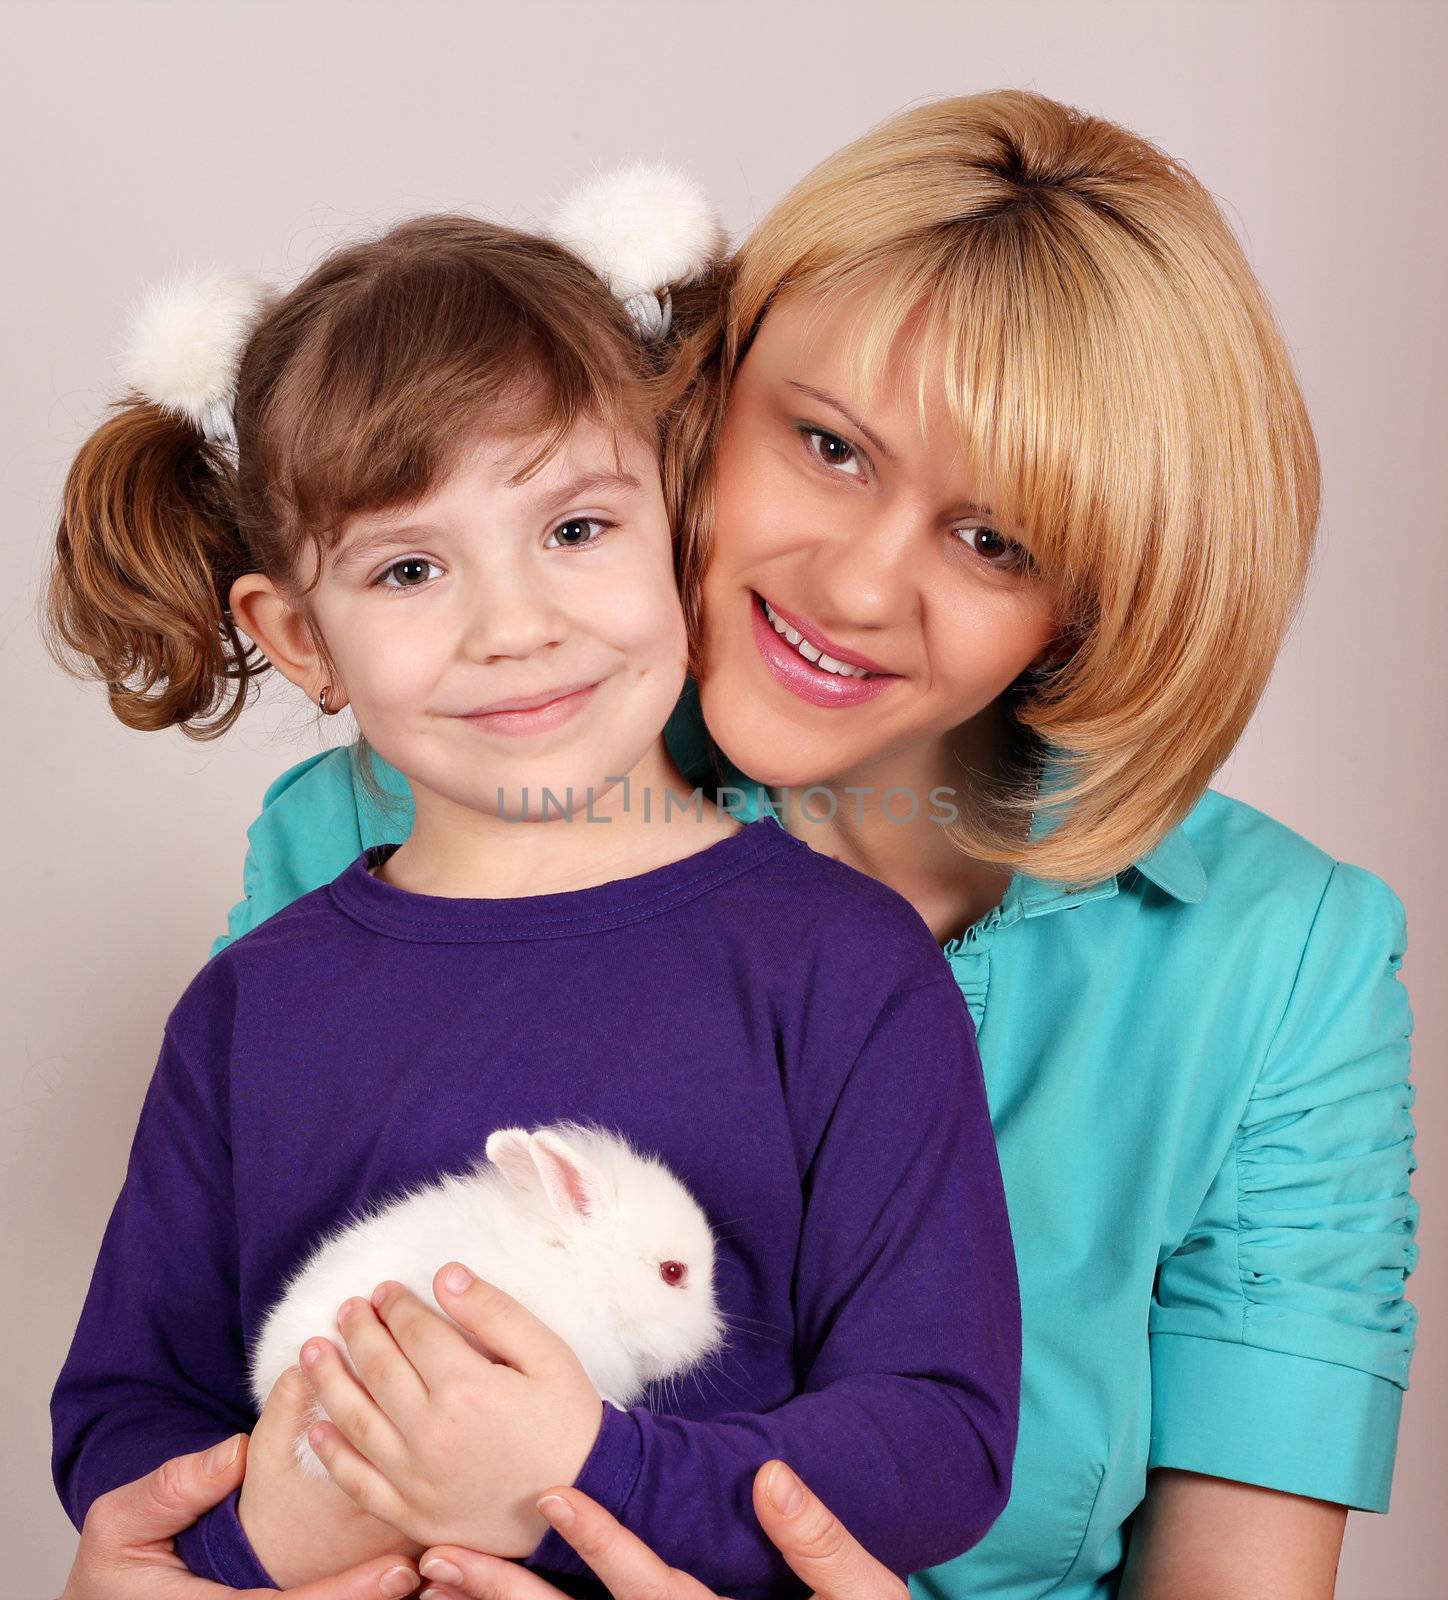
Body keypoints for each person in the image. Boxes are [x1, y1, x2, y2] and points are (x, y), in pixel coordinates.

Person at [175, 90, 1418, 1599]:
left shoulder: (1281, 964)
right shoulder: (381, 841)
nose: (856, 584)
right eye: (828, 446)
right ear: (710, 393)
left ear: (1098, 591)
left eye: (993, 538)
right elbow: (234, 1448)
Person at [44, 204, 1020, 1597]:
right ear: (299, 638)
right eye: (410, 569)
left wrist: (574, 1477)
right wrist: (270, 1533)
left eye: (573, 526)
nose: (513, 625)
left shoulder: (843, 971)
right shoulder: (249, 1013)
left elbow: (938, 1434)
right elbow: (125, 1415)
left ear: (679, 526)